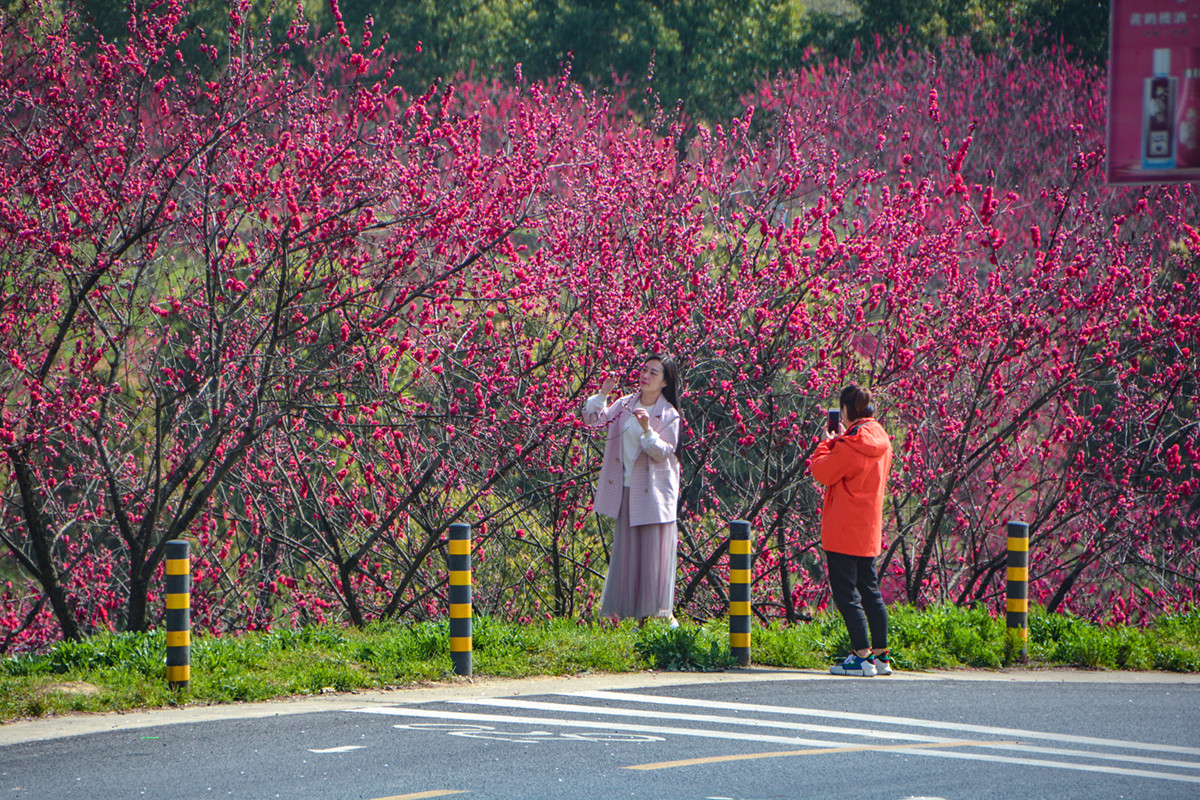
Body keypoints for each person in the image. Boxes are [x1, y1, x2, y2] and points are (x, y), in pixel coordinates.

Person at [582, 354, 682, 627]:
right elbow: (592, 419)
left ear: (664, 382)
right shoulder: (625, 404)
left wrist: (647, 429)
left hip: (655, 495)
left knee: (651, 559)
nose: (645, 376)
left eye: (653, 373)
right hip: (626, 490)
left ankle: (659, 621)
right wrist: (604, 392)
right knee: (628, 556)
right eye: (644, 369)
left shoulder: (669, 414)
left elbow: (663, 453)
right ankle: (634, 622)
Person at [809, 383, 894, 676]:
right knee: (870, 590)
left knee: (846, 594)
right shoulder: (882, 439)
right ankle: (881, 657)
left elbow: (821, 471)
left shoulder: (849, 445)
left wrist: (825, 443)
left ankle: (861, 656)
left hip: (844, 529)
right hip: (868, 528)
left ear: (847, 409)